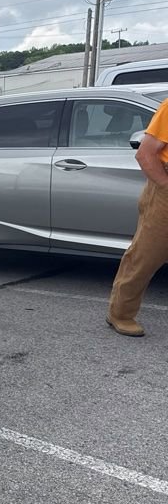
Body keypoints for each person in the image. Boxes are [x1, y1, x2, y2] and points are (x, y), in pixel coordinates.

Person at [106, 97, 168, 337]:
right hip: (164, 189)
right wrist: (165, 186)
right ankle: (120, 314)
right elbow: (145, 154)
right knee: (146, 255)